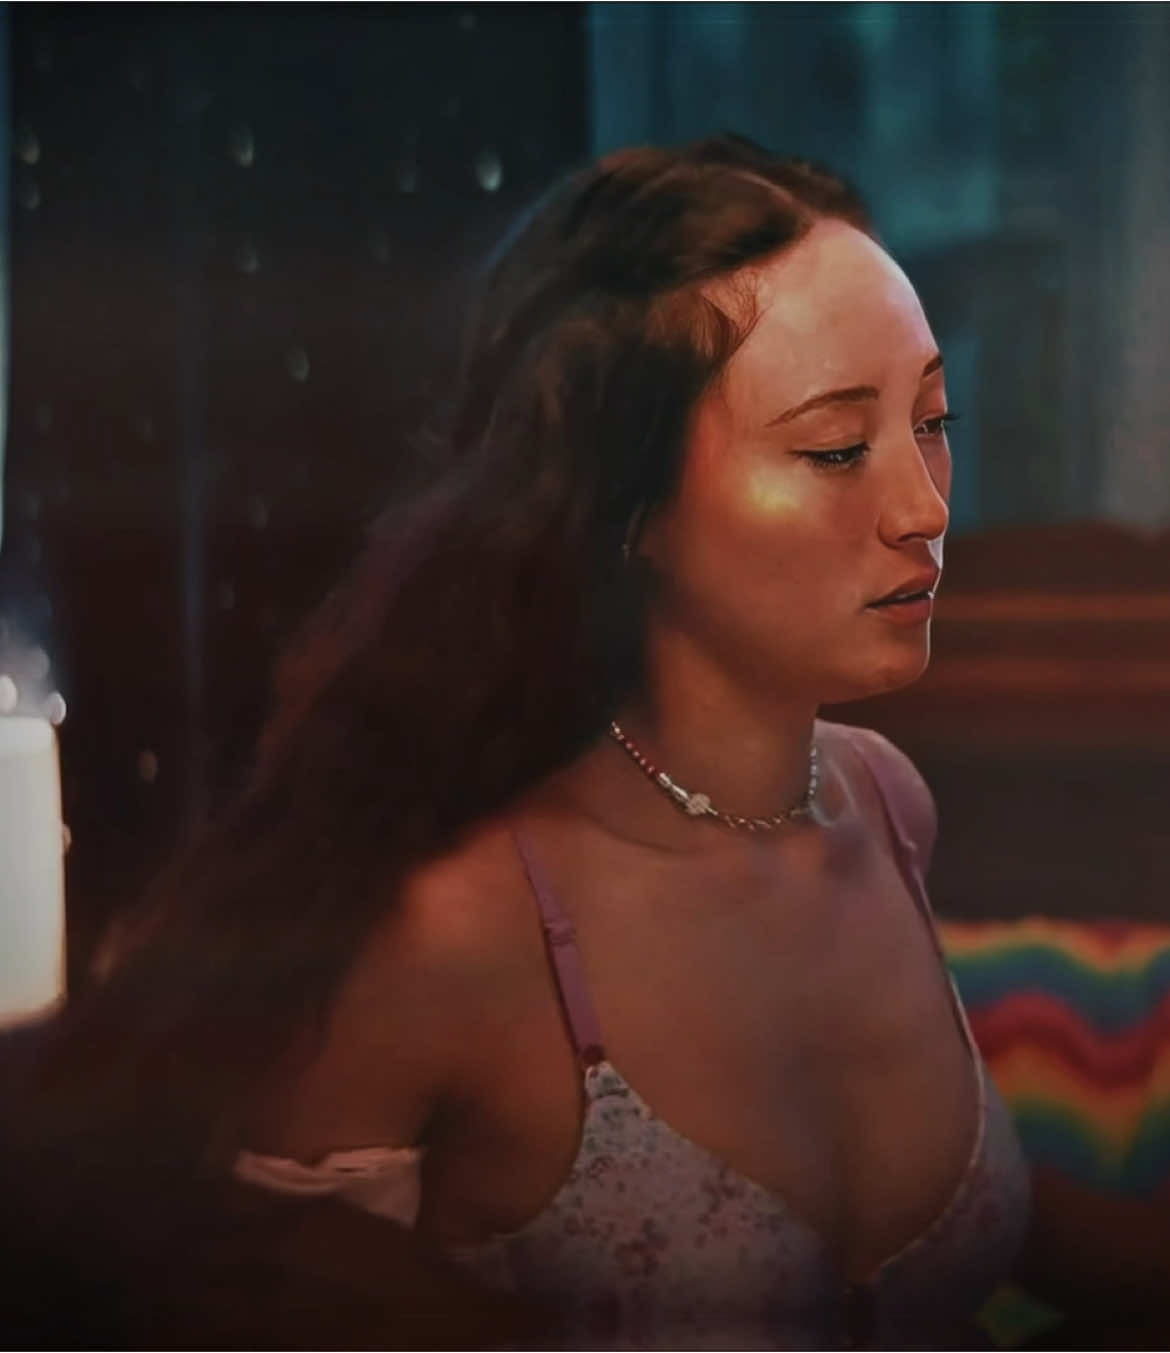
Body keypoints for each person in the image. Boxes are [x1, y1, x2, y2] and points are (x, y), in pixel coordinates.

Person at [7, 134, 1165, 1349]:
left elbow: (972, 1218)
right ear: (628, 505)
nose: (925, 508)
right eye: (835, 449)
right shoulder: (455, 929)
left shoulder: (884, 803)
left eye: (933, 420)